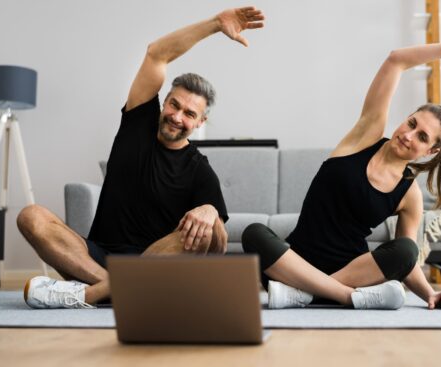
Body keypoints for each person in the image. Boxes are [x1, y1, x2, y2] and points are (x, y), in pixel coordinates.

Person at [18, 6, 265, 309]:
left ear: (200, 123)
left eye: (189, 113)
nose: (177, 117)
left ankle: (90, 295)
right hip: (94, 258)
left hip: (156, 263)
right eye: (174, 105)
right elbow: (156, 54)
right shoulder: (138, 125)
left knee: (210, 229)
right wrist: (215, 24)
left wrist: (210, 211)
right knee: (31, 216)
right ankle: (121, 289)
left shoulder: (199, 169)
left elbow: (218, 244)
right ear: (163, 103)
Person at [242, 43, 441, 310]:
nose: (408, 135)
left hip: (352, 270)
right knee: (254, 233)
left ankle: (304, 294)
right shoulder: (366, 136)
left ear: (430, 151)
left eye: (421, 137)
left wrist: (430, 294)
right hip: (294, 263)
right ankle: (340, 296)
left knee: (407, 249)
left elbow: (406, 261)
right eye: (411, 123)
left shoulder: (410, 194)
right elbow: (396, 60)